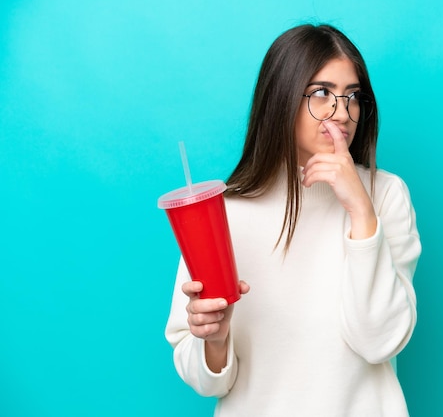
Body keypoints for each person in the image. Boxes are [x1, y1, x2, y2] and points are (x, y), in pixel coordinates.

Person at [165, 23, 422, 416]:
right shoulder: (224, 211)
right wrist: (214, 341)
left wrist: (361, 213)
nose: (342, 113)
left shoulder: (385, 195)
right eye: (322, 93)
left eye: (352, 96)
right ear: (281, 98)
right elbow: (206, 380)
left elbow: (380, 341)